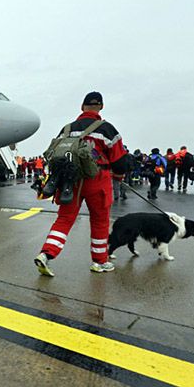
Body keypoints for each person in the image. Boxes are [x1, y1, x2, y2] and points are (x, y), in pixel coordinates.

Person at [34, 92, 127, 276]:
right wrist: (119, 176)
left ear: (82, 107)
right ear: (101, 107)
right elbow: (119, 161)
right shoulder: (107, 129)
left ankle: (46, 253)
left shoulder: (67, 129)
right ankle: (100, 262)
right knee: (100, 220)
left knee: (64, 219)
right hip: (98, 180)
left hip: (70, 181)